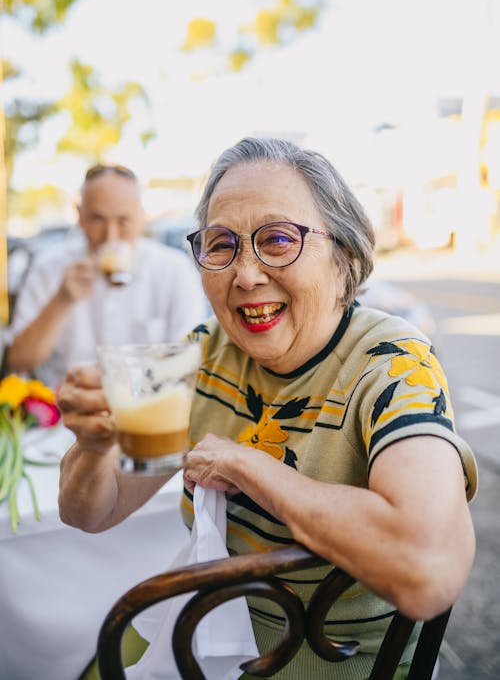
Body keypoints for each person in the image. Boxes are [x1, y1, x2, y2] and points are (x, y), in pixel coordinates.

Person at [58, 138, 477, 680]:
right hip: (206, 644)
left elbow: (427, 575)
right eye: (222, 244)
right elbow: (91, 512)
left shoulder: (392, 363)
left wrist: (247, 465)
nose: (247, 274)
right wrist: (94, 446)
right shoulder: (205, 352)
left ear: (344, 254)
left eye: (278, 240)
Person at [7, 163, 206, 388]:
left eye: (123, 221)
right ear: (79, 216)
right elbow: (18, 361)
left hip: (148, 411)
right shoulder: (49, 267)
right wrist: (61, 301)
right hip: (64, 412)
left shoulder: (174, 271)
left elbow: (190, 360)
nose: (111, 236)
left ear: (142, 217)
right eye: (97, 219)